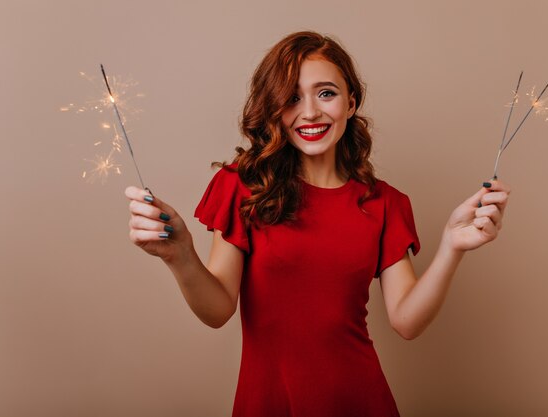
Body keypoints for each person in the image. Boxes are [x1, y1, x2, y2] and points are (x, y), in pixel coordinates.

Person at [125, 31, 510, 417]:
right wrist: (181, 256)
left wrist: (452, 248)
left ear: (351, 102)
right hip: (270, 404)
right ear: (273, 107)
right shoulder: (242, 187)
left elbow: (407, 322)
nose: (309, 112)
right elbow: (217, 310)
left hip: (362, 402)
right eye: (292, 97)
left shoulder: (385, 204)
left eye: (326, 93)